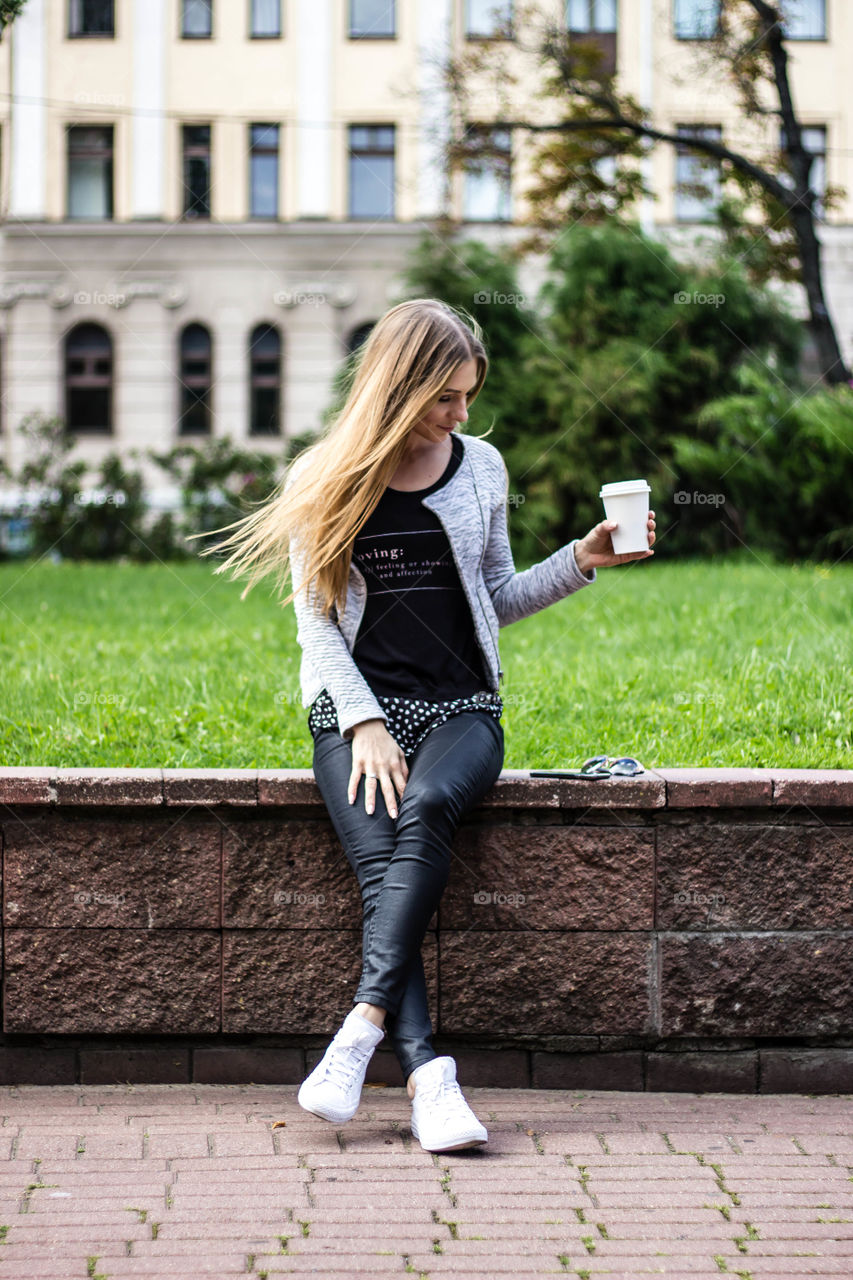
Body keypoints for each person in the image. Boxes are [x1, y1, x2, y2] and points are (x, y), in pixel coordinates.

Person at [202, 298, 655, 1153]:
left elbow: (496, 597)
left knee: (430, 805)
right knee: (384, 875)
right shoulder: (327, 476)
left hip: (461, 708)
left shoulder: (480, 466)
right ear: (398, 388)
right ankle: (428, 1081)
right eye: (445, 398)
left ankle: (362, 1026)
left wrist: (582, 560)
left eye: (466, 397)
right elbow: (315, 624)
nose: (460, 415)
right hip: (355, 709)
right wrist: (363, 722)